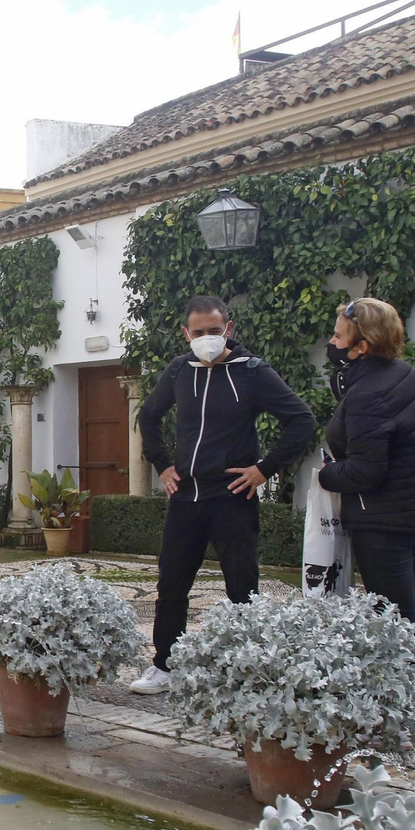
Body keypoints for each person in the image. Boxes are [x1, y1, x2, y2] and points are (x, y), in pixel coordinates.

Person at [130, 295, 316, 694]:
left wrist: (264, 470)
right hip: (185, 498)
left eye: (214, 331)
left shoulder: (251, 372)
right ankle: (164, 664)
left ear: (228, 329)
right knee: (172, 585)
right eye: (198, 333)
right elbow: (148, 415)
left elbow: (301, 420)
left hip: (232, 496)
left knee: (242, 586)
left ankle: (248, 670)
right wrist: (162, 464)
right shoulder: (180, 370)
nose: (207, 339)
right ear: (186, 334)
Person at [317, 297, 415, 671]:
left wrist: (325, 475)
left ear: (362, 347)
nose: (332, 342)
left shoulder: (369, 393)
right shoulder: (403, 373)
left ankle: (408, 705)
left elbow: (364, 471)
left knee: (397, 621)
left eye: (339, 336)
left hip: (386, 522)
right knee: (401, 610)